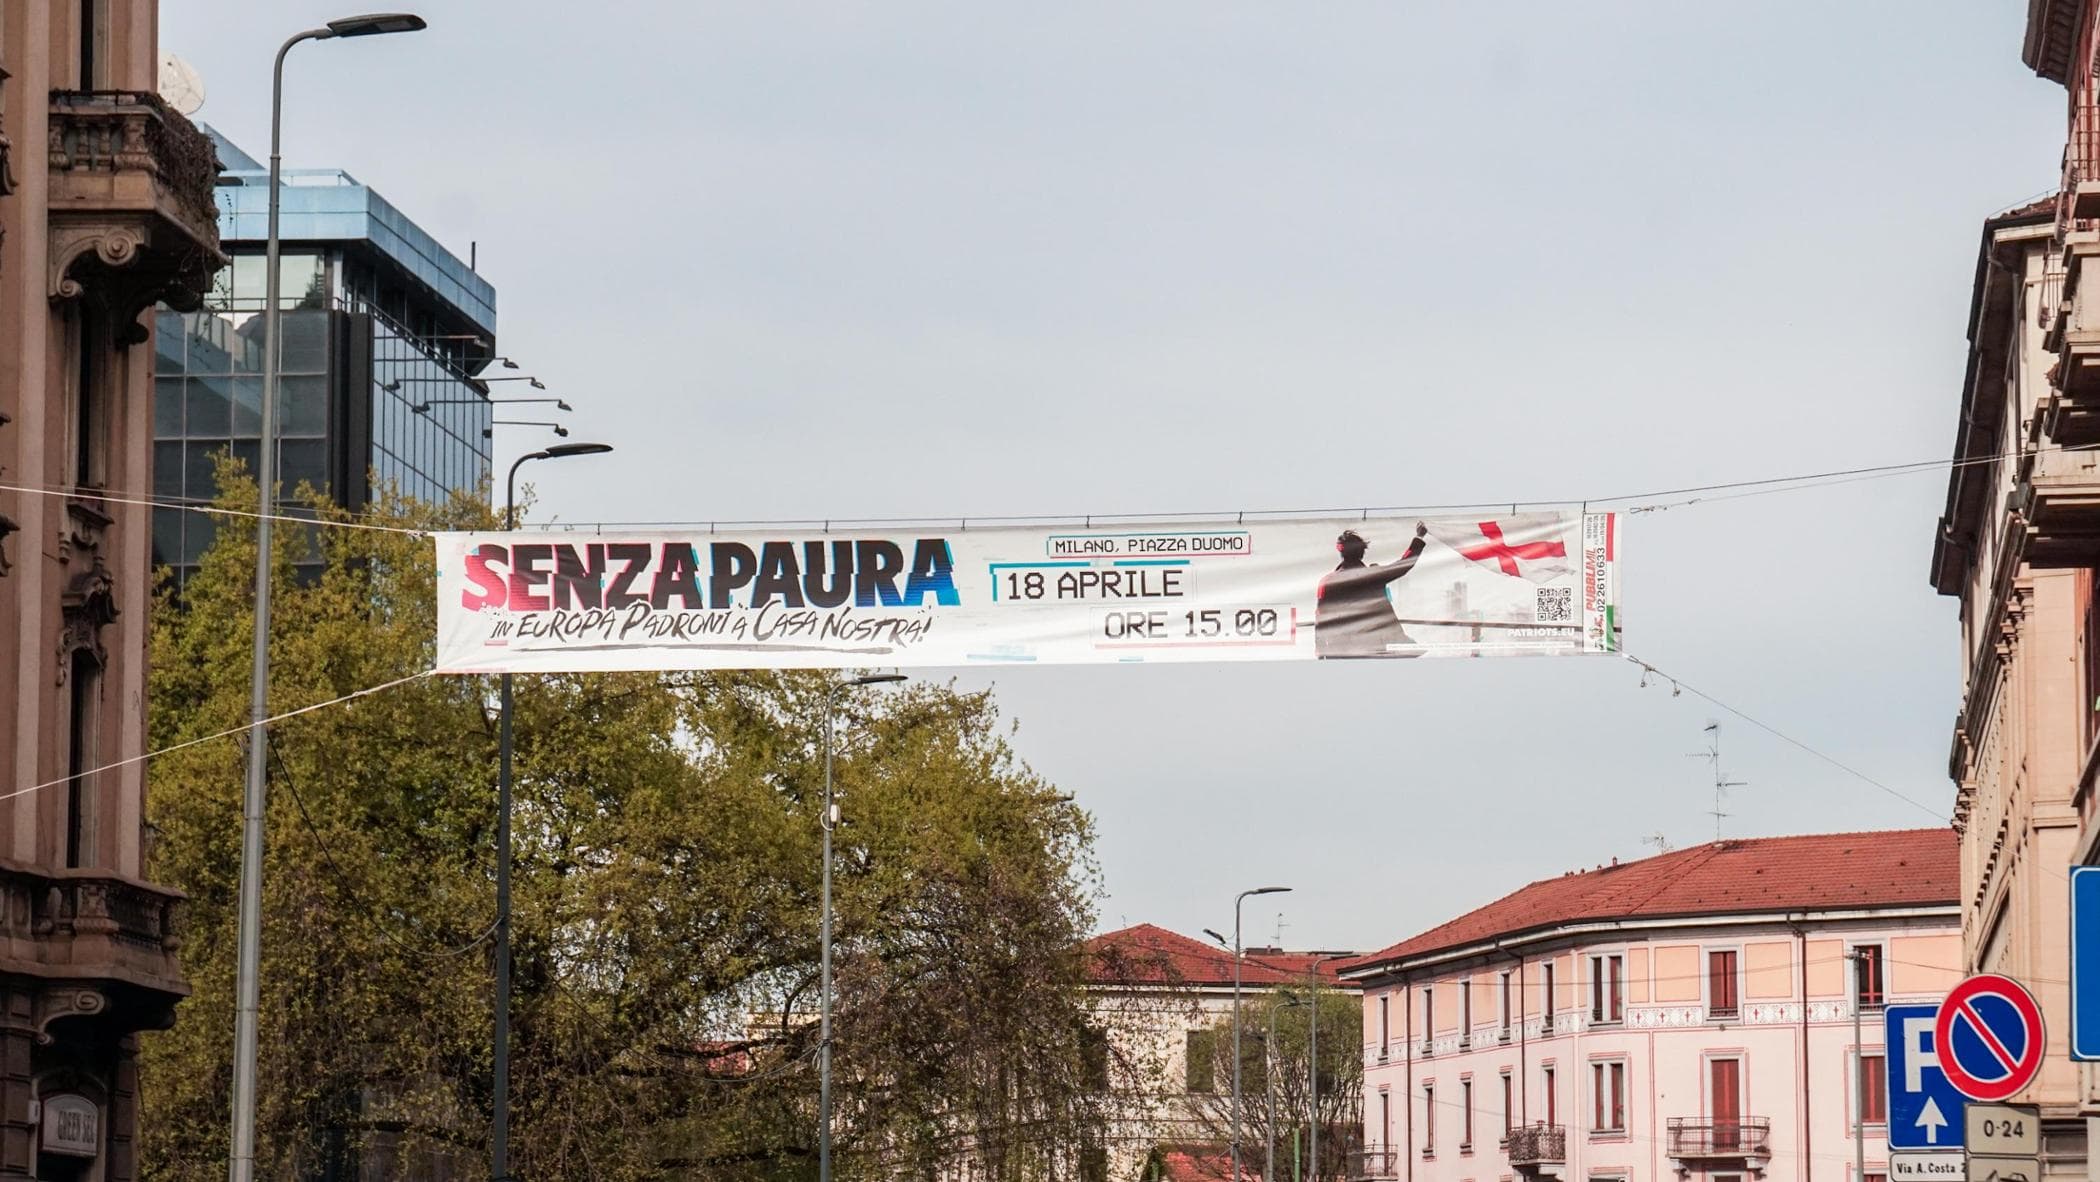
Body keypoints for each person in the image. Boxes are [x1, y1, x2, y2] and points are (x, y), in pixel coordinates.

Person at [1315, 523, 1428, 658]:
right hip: (1378, 647)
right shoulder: (1373, 575)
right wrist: (1419, 536)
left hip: (1343, 650)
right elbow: (1404, 564)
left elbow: (1321, 620)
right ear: (1361, 553)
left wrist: (1321, 652)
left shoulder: (1327, 582)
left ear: (1341, 553)